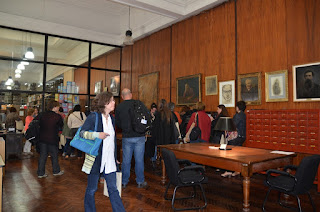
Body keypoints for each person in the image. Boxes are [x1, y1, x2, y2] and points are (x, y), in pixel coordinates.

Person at [81, 91, 125, 212]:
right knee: (91, 189)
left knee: (113, 188)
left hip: (109, 160)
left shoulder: (111, 118)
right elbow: (81, 133)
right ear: (105, 103)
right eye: (112, 100)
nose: (114, 103)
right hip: (95, 159)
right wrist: (97, 134)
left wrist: (114, 156)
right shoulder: (93, 117)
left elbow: (112, 140)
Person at [115, 88, 148, 189]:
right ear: (131, 94)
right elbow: (146, 117)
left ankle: (124, 181)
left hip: (127, 136)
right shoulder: (139, 104)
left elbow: (117, 123)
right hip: (139, 136)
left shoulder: (119, 107)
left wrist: (125, 128)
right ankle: (140, 181)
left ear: (122, 96)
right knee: (139, 160)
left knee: (126, 160)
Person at [36, 100, 64, 178]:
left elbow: (37, 124)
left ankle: (40, 173)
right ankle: (56, 171)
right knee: (54, 155)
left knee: (43, 156)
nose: (59, 108)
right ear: (54, 107)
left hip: (42, 138)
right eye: (58, 106)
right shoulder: (57, 116)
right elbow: (61, 126)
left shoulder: (42, 115)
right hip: (53, 138)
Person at [221, 101, 246, 177]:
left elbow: (232, 125)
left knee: (230, 154)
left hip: (235, 137)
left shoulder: (237, 116)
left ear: (237, 107)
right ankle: (238, 170)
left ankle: (229, 170)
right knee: (239, 155)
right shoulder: (244, 115)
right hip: (242, 137)